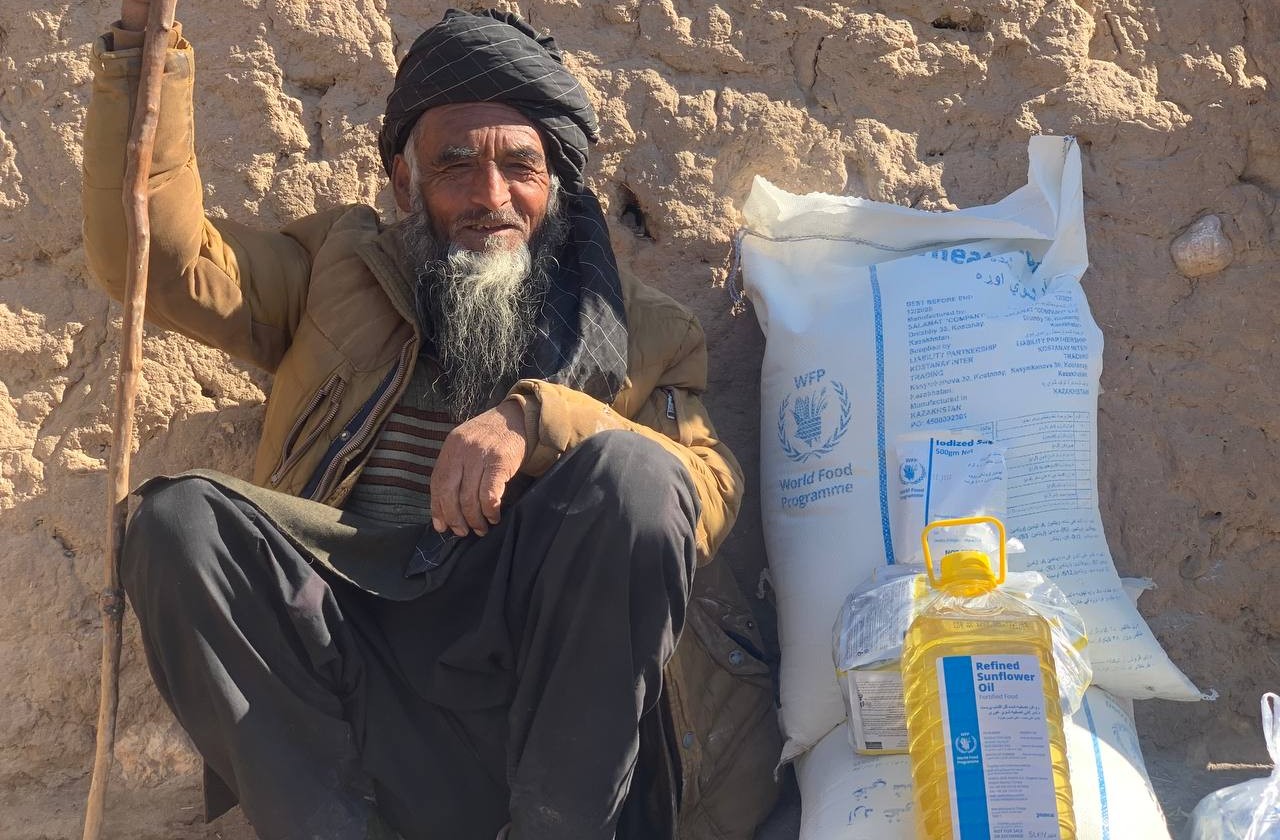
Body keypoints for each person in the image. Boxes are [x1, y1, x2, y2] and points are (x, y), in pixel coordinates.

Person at [82, 3, 781, 839]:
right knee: (178, 521)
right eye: (455, 165)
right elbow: (157, 261)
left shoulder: (644, 328)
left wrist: (534, 418)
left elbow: (704, 490)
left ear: (555, 184)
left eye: (519, 166)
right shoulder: (338, 268)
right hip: (360, 682)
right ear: (405, 182)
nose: (492, 197)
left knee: (637, 473)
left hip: (544, 714)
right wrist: (144, 47)